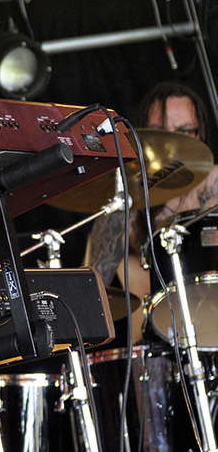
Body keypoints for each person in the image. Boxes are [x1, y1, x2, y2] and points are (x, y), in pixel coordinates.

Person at [85, 81, 218, 339]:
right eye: (159, 132)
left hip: (212, 322)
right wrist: (124, 194)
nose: (170, 143)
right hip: (156, 344)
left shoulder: (213, 180)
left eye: (183, 131)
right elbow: (92, 285)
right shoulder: (131, 201)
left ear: (200, 135)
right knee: (130, 267)